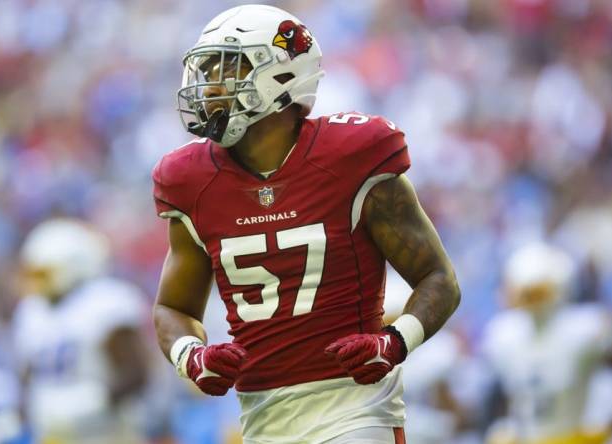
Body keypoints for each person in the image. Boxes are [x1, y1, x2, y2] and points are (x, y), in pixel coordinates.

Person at [151, 5, 460, 443]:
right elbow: (173, 308)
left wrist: (394, 342)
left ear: (278, 75)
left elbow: (438, 278)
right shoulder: (189, 179)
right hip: (261, 417)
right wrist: (191, 355)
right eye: (206, 70)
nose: (208, 87)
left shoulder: (353, 155)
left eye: (225, 69)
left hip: (356, 407)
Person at [12, 218, 150, 444]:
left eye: (44, 274)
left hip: (107, 433)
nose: (37, 283)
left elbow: (138, 372)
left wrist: (96, 402)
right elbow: (28, 375)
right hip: (51, 435)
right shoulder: (31, 312)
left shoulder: (106, 301)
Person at [481, 242, 612, 444]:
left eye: (538, 292)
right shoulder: (504, 335)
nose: (532, 301)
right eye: (527, 293)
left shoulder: (583, 330)